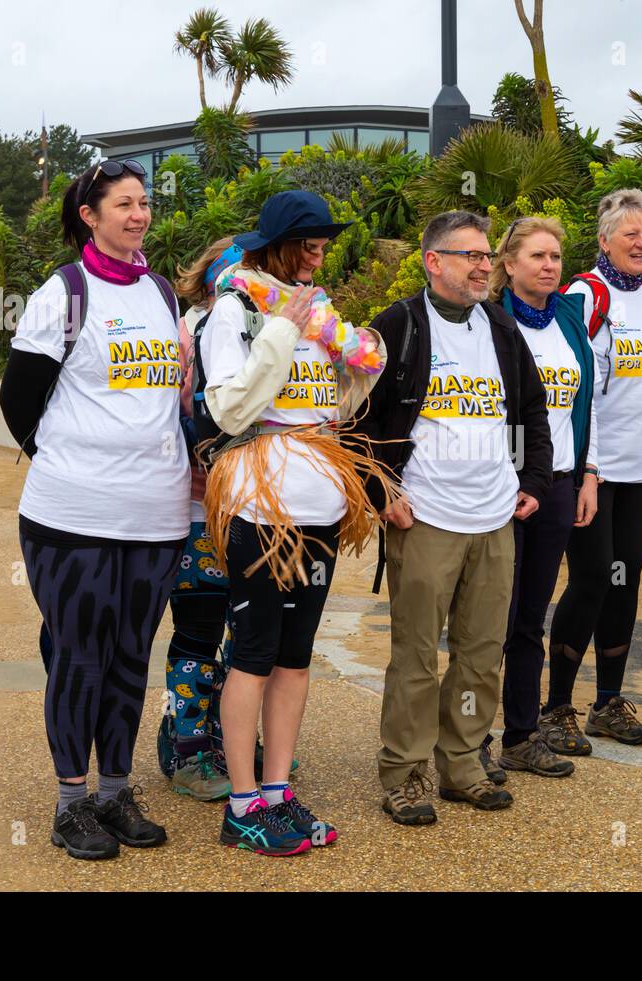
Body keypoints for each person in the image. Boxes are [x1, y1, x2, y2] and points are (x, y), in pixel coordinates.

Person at [0, 160, 187, 860]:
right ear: (91, 214)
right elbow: (19, 399)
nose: (139, 215)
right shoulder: (64, 294)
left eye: (145, 203)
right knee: (80, 655)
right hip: (72, 513)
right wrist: (67, 458)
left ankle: (115, 789)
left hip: (156, 512)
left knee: (132, 656)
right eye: (124, 205)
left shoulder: (161, 292)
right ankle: (72, 802)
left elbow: (166, 397)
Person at [197, 190, 393, 855]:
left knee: (294, 655)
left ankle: (277, 792)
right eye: (307, 244)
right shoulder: (238, 310)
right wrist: (284, 326)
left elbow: (334, 398)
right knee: (252, 654)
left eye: (322, 245)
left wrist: (361, 358)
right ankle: (242, 803)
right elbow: (229, 407)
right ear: (276, 246)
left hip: (318, 505)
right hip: (261, 503)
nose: (318, 255)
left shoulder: (321, 313)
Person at [356, 210, 553, 825]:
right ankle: (405, 773)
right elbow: (354, 419)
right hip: (426, 518)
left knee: (480, 651)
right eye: (469, 255)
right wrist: (379, 489)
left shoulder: (498, 325)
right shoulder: (398, 326)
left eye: (487, 255)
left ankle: (462, 762)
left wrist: (533, 480)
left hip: (494, 517)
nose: (482, 266)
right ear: (432, 261)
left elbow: (530, 408)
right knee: (415, 653)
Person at [542, 188, 642, 753]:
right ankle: (556, 708)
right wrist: (589, 470)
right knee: (591, 579)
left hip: (639, 470)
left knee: (626, 581)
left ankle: (608, 703)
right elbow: (576, 385)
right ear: (605, 240)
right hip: (592, 470)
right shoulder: (585, 294)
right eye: (631, 234)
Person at [482, 216, 600, 779]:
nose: (550, 265)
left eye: (556, 256)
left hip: (556, 483)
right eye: (537, 256)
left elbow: (585, 400)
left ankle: (521, 735)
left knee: (531, 617)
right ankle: (470, 738)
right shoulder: (489, 321)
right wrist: (512, 477)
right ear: (509, 264)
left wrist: (586, 474)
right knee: (489, 618)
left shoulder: (570, 320)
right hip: (502, 485)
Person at [158, 238, 244, 802]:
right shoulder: (185, 335)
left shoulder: (273, 331)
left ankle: (228, 737)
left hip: (263, 511)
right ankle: (188, 746)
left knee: (252, 635)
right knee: (198, 630)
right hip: (197, 510)